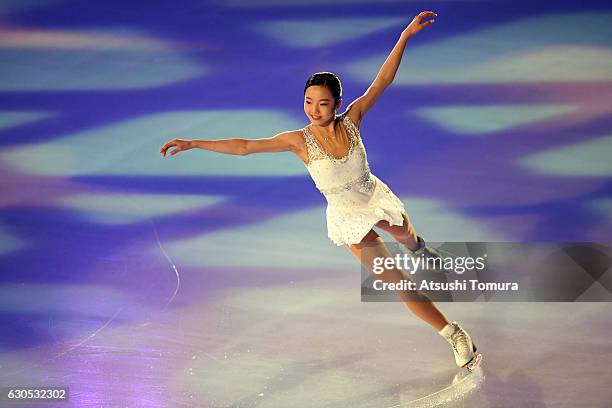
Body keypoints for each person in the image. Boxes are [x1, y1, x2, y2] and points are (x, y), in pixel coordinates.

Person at [160, 11, 481, 371]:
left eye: (323, 103)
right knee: (396, 281)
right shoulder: (299, 141)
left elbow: (382, 81)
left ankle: (420, 248)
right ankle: (454, 333)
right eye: (309, 102)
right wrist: (194, 142)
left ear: (338, 104)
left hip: (373, 195)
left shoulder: (354, 120)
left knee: (405, 235)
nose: (314, 110)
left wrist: (405, 34)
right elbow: (245, 146)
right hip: (346, 215)